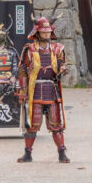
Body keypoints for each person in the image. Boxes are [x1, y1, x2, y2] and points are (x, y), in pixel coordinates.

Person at [16, 17, 70, 163]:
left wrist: (62, 69)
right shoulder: (29, 49)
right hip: (34, 90)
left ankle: (62, 153)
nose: (46, 35)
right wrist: (22, 91)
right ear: (37, 33)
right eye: (43, 32)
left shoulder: (58, 49)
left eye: (48, 32)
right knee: (32, 125)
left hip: (51, 90)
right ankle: (27, 154)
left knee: (56, 125)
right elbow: (22, 71)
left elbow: (62, 65)